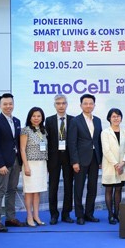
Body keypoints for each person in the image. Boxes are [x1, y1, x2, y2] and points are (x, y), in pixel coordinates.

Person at [0, 93, 25, 232]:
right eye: (5, 104)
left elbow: (15, 142)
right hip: (2, 164)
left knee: (12, 190)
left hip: (15, 162)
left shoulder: (16, 121)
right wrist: (0, 164)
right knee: (0, 191)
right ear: (0, 105)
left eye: (10, 103)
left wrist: (20, 162)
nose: (8, 106)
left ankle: (10, 218)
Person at [68, 94, 103, 225]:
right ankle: (79, 215)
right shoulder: (75, 121)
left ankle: (89, 214)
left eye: (91, 103)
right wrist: (74, 161)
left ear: (94, 105)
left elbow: (99, 141)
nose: (88, 105)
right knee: (78, 188)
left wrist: (100, 160)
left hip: (95, 158)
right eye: (85, 103)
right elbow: (72, 143)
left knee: (92, 188)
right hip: (80, 160)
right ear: (81, 105)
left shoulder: (98, 120)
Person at [45, 94, 74, 225]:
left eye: (63, 103)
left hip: (69, 158)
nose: (61, 106)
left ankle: (66, 214)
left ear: (67, 104)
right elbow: (46, 141)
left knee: (69, 186)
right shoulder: (49, 120)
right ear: (54, 105)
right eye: (58, 103)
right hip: (53, 158)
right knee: (53, 187)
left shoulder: (73, 120)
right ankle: (54, 214)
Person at [20, 107, 48, 227]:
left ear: (42, 118)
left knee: (37, 192)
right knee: (29, 192)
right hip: (30, 164)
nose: (36, 118)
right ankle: (29, 216)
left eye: (39, 116)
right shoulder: (25, 130)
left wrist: (46, 166)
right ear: (30, 117)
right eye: (34, 116)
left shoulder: (43, 131)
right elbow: (22, 149)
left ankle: (36, 216)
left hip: (42, 164)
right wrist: (26, 166)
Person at [101, 108, 125, 225]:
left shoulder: (124, 132)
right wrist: (116, 164)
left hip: (121, 166)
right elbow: (106, 150)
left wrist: (123, 163)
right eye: (113, 116)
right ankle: (110, 215)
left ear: (121, 118)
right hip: (110, 165)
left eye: (118, 116)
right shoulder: (105, 132)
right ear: (109, 118)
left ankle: (117, 213)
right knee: (109, 190)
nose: (116, 118)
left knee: (118, 189)